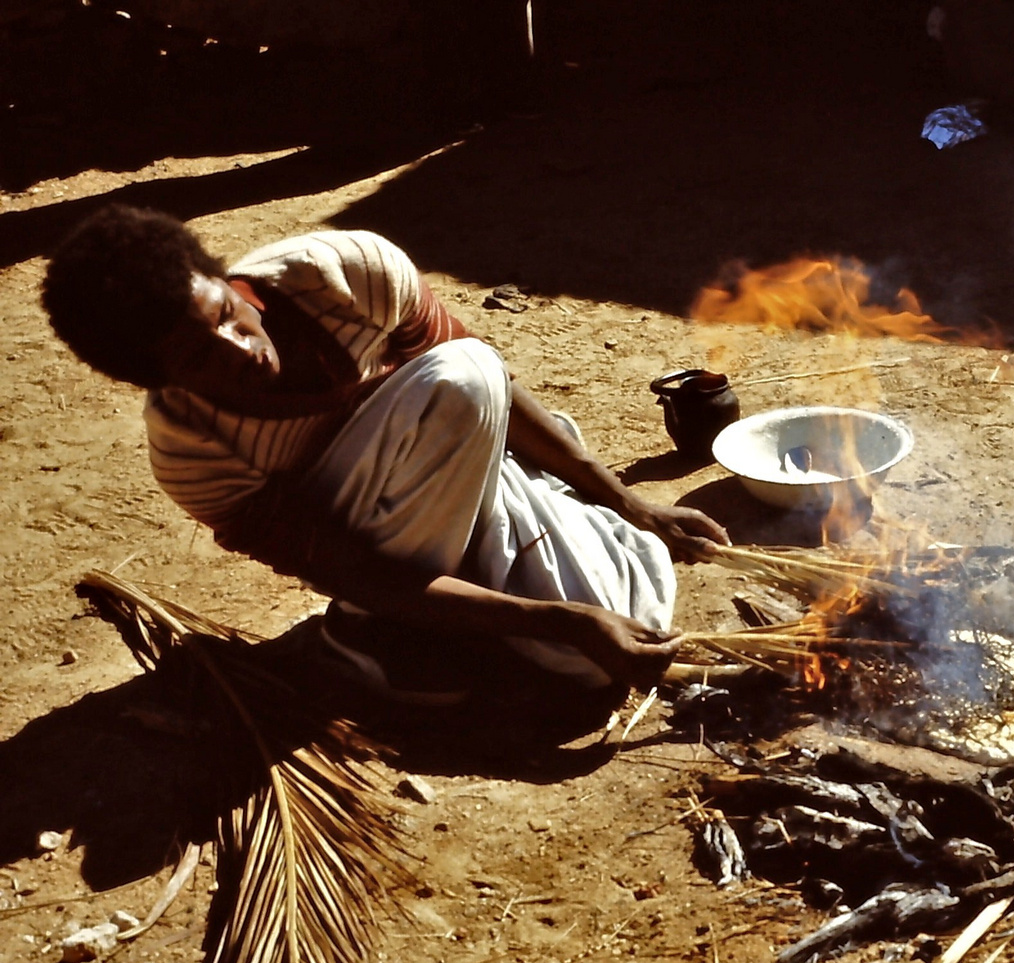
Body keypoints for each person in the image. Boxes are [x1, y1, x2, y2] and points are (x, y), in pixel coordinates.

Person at [41, 205, 730, 695]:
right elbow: (351, 565)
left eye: (226, 314)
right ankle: (361, 631)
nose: (243, 349)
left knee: (595, 654)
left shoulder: (348, 272)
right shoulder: (191, 449)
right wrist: (563, 619)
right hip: (373, 551)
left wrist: (630, 503)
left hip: (451, 461)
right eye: (198, 356)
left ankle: (455, 598)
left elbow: (491, 391)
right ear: (157, 381)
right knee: (577, 642)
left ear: (224, 279)